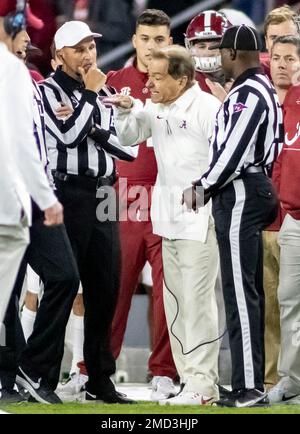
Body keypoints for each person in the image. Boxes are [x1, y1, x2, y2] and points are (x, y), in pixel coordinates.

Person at [109, 45, 221, 405]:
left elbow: (222, 161)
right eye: (149, 77)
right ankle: (189, 382)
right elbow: (128, 139)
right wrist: (127, 113)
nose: (149, 85)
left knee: (197, 304)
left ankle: (203, 385)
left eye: (158, 78)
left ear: (183, 79)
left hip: (200, 223)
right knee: (173, 305)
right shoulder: (155, 108)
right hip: (166, 220)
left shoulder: (207, 109)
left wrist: (203, 194)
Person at [182, 25, 282, 407]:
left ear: (235, 54)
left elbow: (235, 151)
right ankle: (248, 381)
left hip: (241, 192)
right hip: (251, 187)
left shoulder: (248, 93)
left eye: (223, 51)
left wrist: (203, 185)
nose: (218, 57)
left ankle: (249, 386)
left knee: (240, 293)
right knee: (245, 291)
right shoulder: (260, 89)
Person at [40, 20, 136, 404]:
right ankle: (43, 376)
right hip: (68, 191)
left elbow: (124, 149)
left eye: (91, 48)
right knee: (62, 285)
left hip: (103, 193)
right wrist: (92, 104)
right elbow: (66, 136)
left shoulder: (104, 91)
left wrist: (94, 123)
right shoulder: (47, 91)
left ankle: (100, 378)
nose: (88, 55)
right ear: (59, 55)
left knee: (105, 288)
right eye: (79, 49)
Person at [0, 0, 72, 403]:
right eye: (22, 27)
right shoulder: (12, 73)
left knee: (62, 276)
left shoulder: (26, 77)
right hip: (18, 195)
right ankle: (9, 375)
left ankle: (27, 368)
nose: (28, 36)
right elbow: (22, 145)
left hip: (26, 195)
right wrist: (46, 195)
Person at [106, 8, 177, 401]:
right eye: (146, 39)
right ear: (134, 40)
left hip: (169, 196)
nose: (152, 47)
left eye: (160, 40)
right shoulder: (114, 81)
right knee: (114, 285)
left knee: (169, 291)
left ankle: (164, 371)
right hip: (125, 195)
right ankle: (96, 367)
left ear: (169, 42)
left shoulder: (185, 81)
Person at [261, 4, 299, 389]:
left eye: (291, 51)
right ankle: (273, 383)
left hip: (294, 215)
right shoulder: (256, 94)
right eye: (274, 45)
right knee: (272, 307)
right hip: (267, 215)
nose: (282, 59)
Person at [184, 10, 231, 93]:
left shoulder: (246, 74)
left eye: (215, 46)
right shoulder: (183, 81)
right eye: (202, 47)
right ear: (190, 47)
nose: (208, 53)